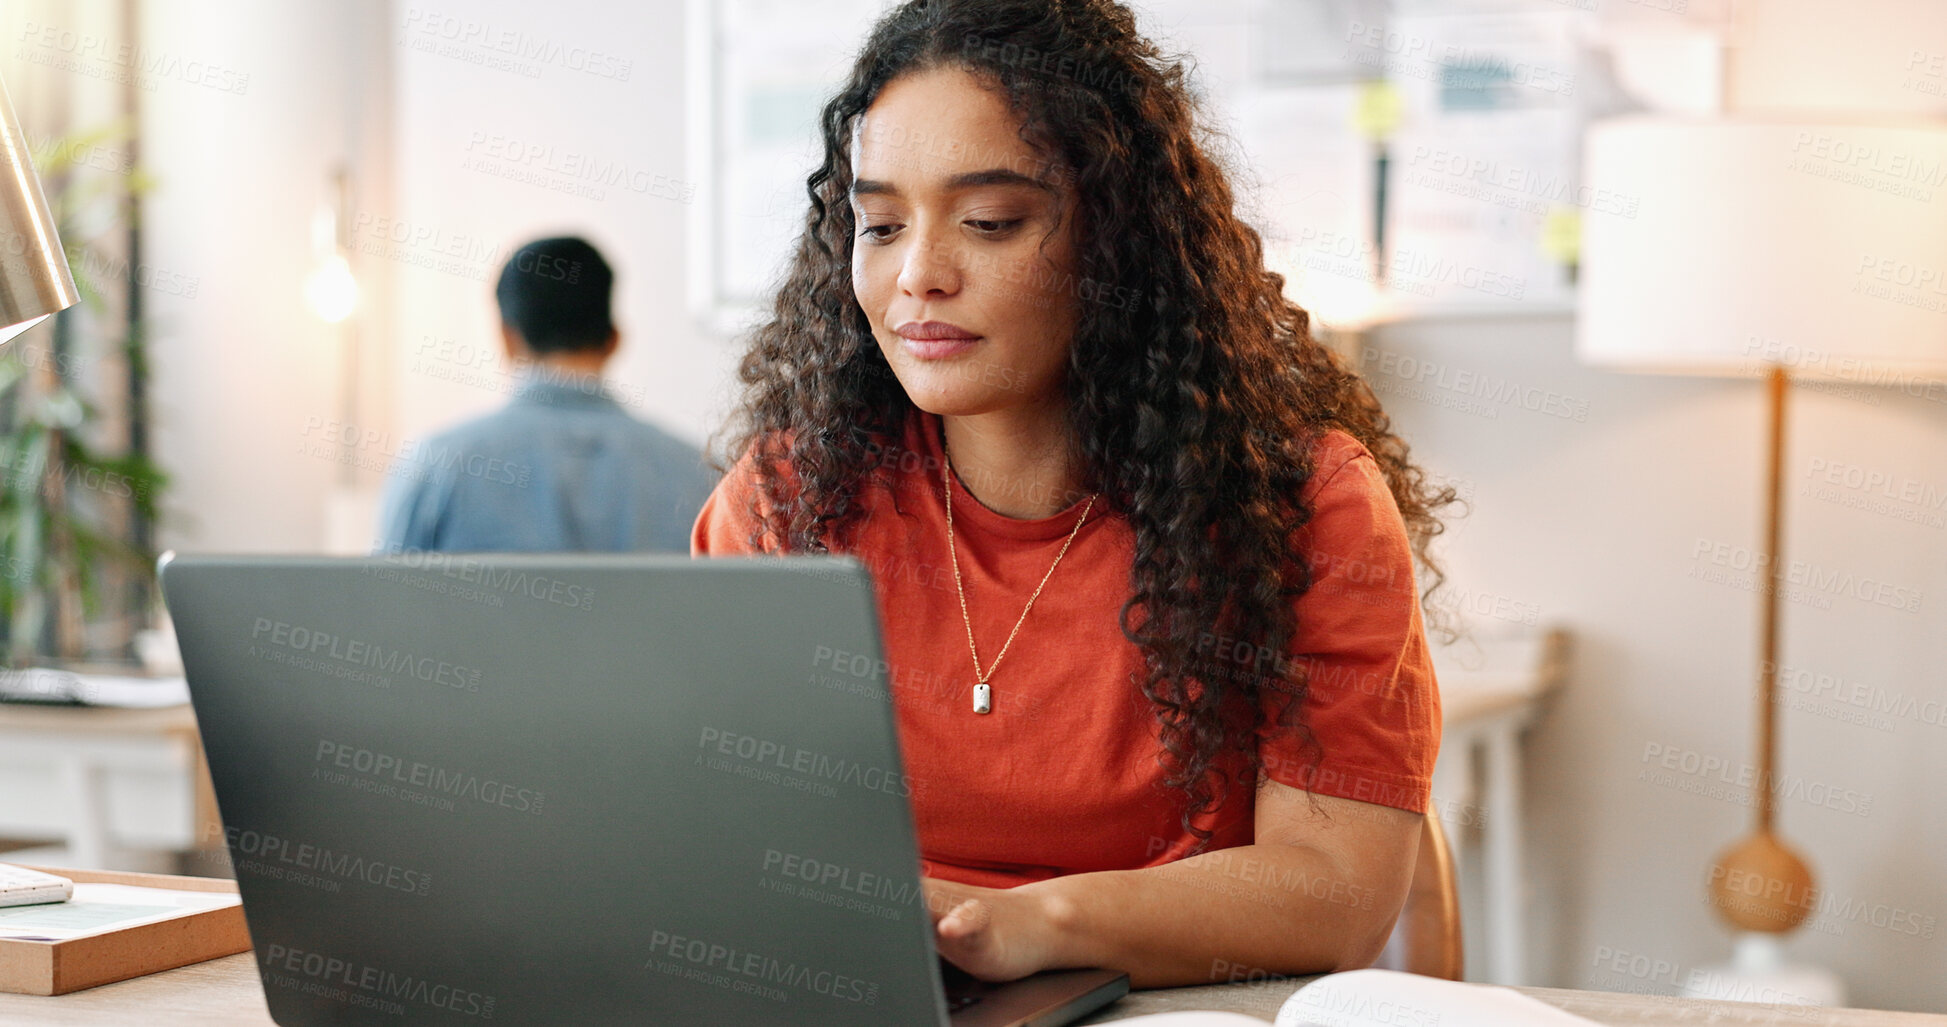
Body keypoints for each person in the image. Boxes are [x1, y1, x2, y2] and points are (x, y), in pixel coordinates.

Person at [691, 0, 1458, 990]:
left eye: (990, 222)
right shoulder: (786, 503)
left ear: (1115, 241)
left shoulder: (1305, 506)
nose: (918, 273)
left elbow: (1335, 893)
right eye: (879, 223)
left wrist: (1028, 921)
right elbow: (720, 846)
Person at [376, 236, 718, 554]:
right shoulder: (702, 475)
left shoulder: (434, 466)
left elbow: (380, 607)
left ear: (506, 339)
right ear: (614, 340)